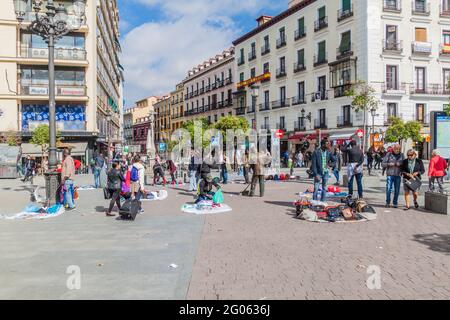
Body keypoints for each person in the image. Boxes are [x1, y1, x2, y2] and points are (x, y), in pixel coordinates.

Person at [382, 144, 404, 208]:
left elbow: (404, 164)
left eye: (398, 149)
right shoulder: (389, 154)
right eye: (395, 149)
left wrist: (400, 164)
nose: (397, 150)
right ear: (393, 149)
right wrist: (389, 164)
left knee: (397, 190)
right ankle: (388, 202)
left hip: (398, 175)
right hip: (390, 174)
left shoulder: (402, 155)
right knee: (388, 189)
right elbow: (383, 164)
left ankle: (395, 202)